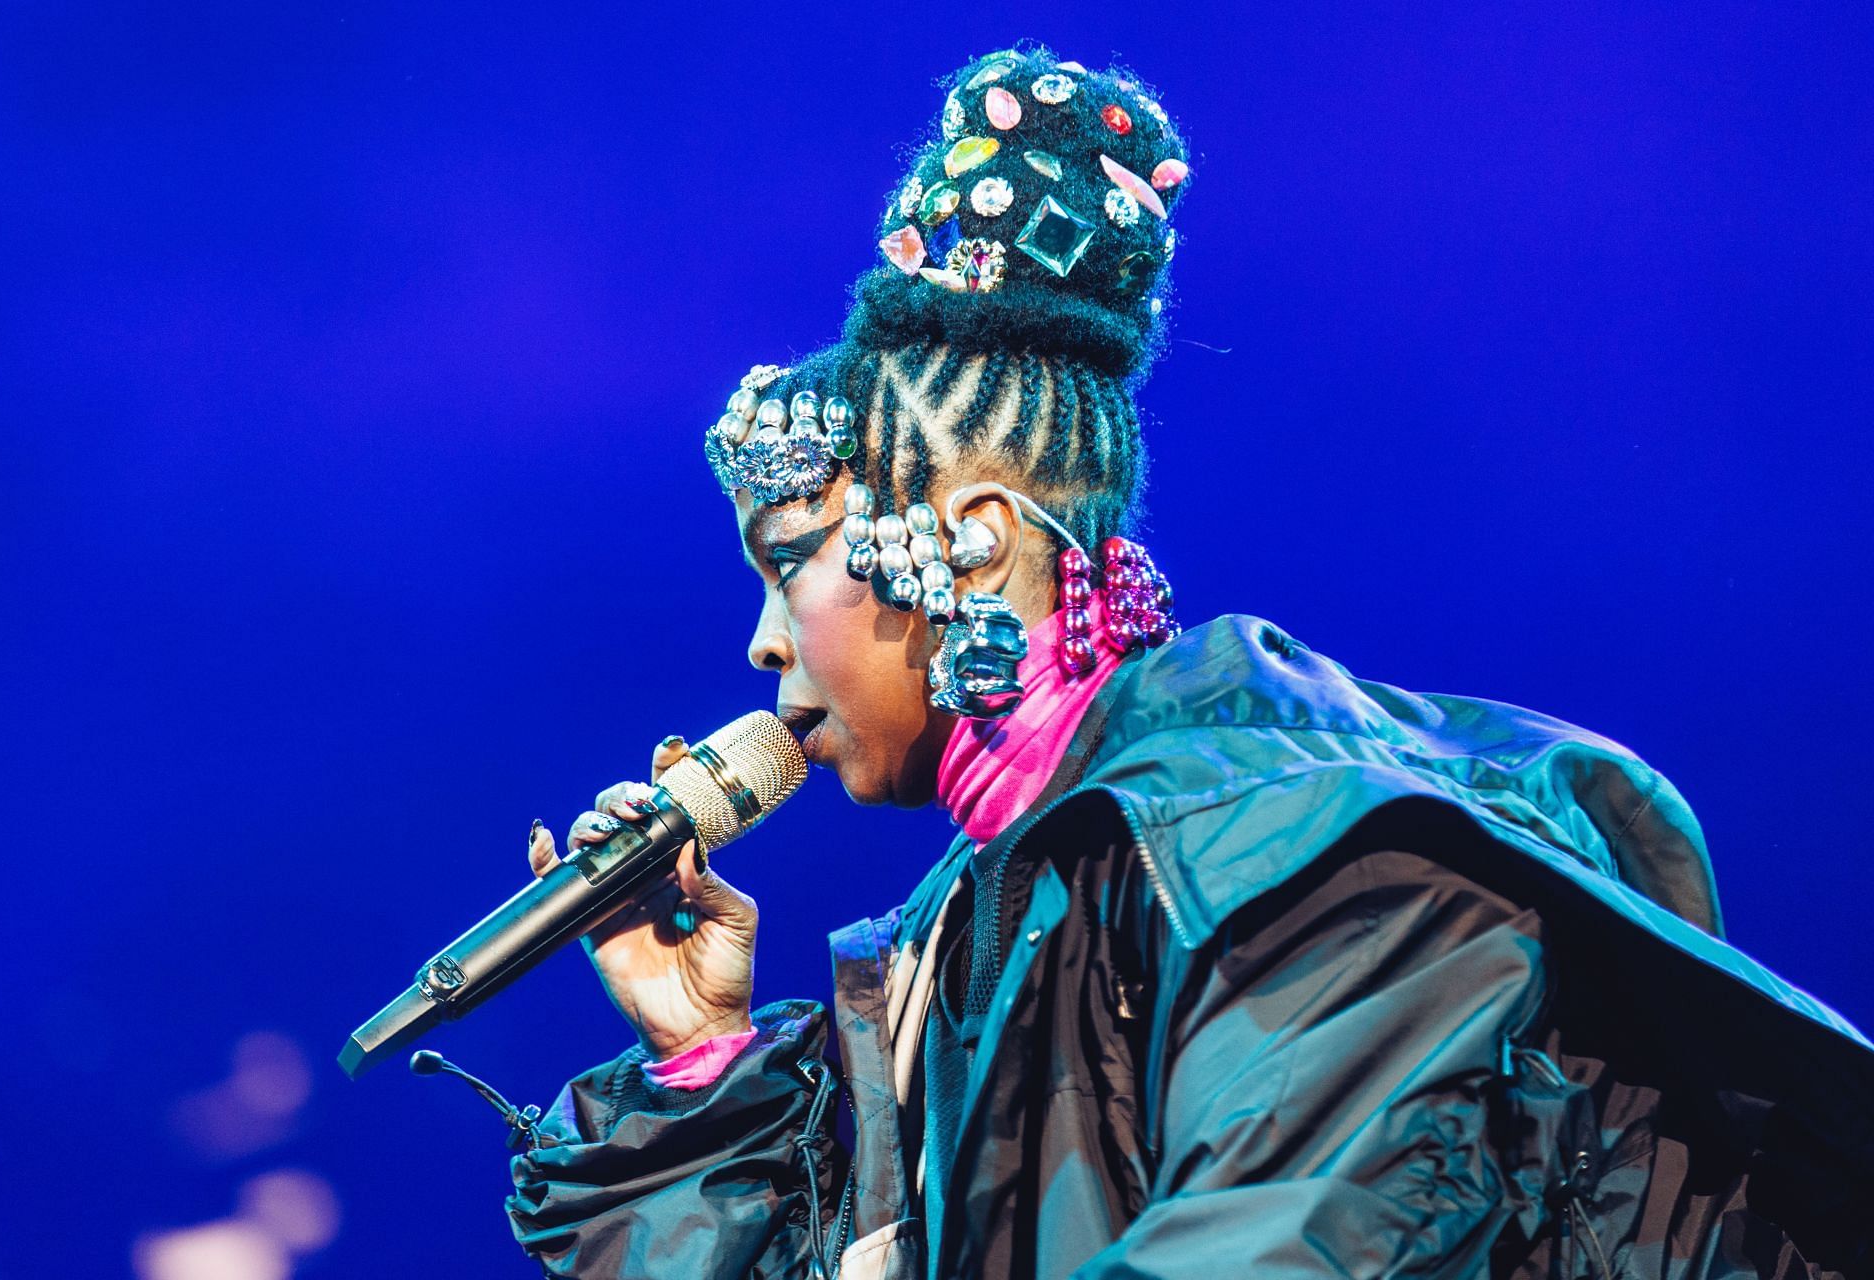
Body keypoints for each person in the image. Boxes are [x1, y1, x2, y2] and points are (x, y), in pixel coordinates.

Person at [505, 45, 1874, 1280]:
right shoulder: (960, 937)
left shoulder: (1320, 857)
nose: (759, 639)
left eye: (787, 559)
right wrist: (701, 1062)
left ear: (971, 539)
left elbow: (1299, 1242)